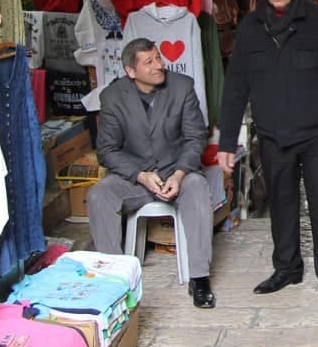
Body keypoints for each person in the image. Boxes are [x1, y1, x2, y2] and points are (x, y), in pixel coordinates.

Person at [217, 0, 318, 324]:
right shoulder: (248, 28)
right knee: (281, 203)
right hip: (273, 135)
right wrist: (226, 142)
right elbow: (235, 89)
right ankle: (287, 267)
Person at [86, 38, 220, 309]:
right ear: (131, 71)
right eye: (149, 62)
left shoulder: (182, 87)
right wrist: (140, 175)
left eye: (158, 58)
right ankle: (114, 281)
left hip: (176, 172)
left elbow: (195, 138)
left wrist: (180, 174)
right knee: (99, 195)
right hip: (135, 179)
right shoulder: (113, 97)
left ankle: (200, 278)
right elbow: (107, 151)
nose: (159, 65)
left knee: (196, 187)